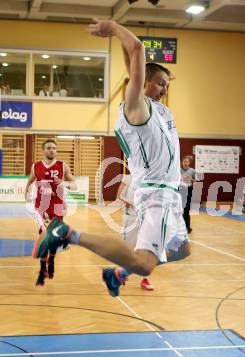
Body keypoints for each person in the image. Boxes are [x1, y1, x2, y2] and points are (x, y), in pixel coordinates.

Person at [32, 20, 191, 298]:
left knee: (181, 249)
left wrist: (125, 47)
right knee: (144, 264)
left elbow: (132, 62)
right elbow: (138, 50)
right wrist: (115, 28)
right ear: (144, 83)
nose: (166, 89)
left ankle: (117, 273)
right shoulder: (136, 108)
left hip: (167, 194)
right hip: (158, 194)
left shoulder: (156, 109)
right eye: (161, 83)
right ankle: (68, 234)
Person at [25, 139, 77, 286]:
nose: (52, 150)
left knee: (53, 239)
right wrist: (27, 193)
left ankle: (51, 260)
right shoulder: (36, 167)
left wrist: (64, 183)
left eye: (54, 148)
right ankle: (42, 270)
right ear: (44, 150)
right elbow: (29, 181)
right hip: (42, 207)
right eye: (49, 148)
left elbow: (75, 185)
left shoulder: (62, 166)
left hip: (57, 206)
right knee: (43, 237)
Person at [116, 173, 154, 291]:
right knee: (128, 250)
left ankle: (145, 278)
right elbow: (119, 196)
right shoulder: (128, 178)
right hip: (131, 218)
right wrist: (128, 201)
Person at [180, 156, 196, 233]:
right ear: (181, 163)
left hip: (188, 190)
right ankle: (179, 227)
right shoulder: (178, 170)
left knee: (186, 210)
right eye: (184, 162)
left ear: (189, 163)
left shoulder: (192, 171)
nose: (185, 163)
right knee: (178, 210)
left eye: (187, 162)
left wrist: (191, 179)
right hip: (180, 190)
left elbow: (195, 180)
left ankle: (187, 227)